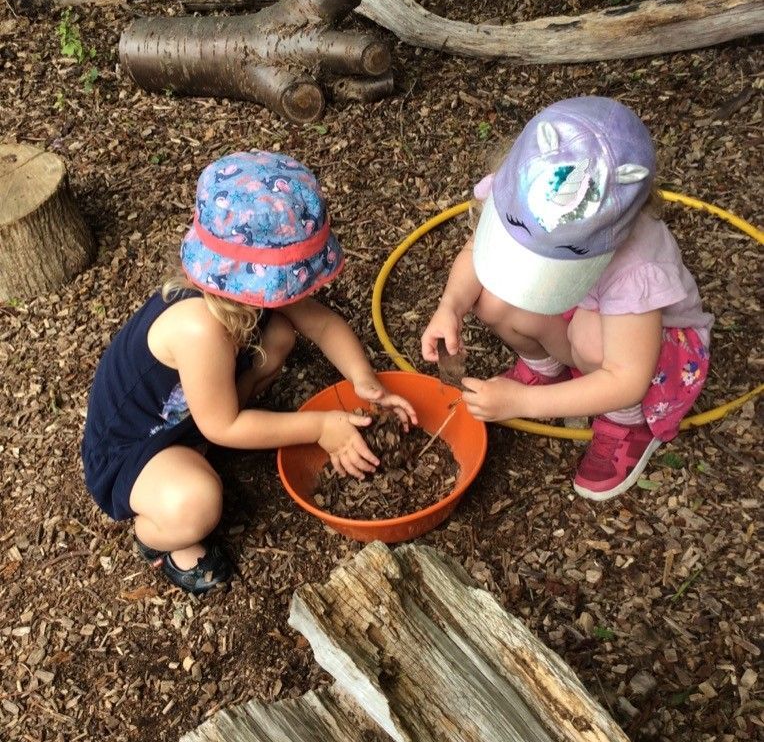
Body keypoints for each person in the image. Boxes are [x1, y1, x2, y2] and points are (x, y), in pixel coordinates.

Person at [82, 150, 416, 594]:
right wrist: (320, 427)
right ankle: (155, 537)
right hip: (137, 449)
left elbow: (321, 322)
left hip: (197, 418)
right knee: (197, 504)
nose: (290, 291)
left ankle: (203, 443)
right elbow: (223, 425)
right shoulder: (199, 328)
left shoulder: (244, 281)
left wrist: (365, 381)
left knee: (278, 335)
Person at [422, 96, 712, 502]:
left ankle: (627, 424)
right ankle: (548, 368)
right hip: (583, 310)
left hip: (649, 350)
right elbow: (477, 252)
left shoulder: (635, 268)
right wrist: (449, 306)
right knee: (491, 297)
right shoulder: (528, 188)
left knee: (591, 339)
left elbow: (628, 377)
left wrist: (523, 402)